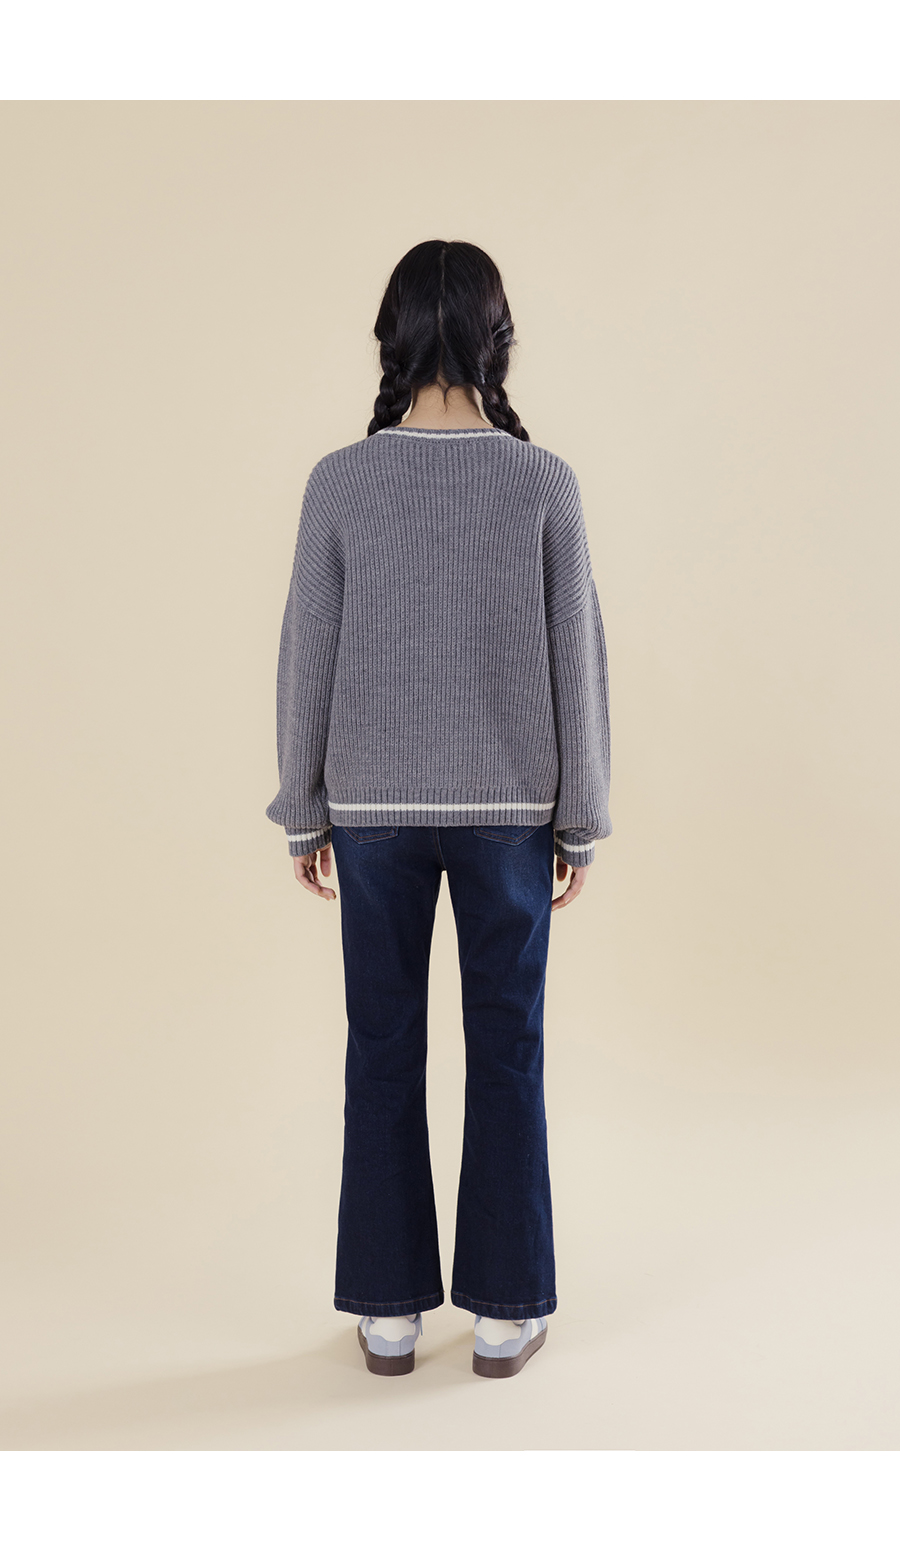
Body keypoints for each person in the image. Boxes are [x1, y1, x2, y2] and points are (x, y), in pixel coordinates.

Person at [265, 239, 611, 1379]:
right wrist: (581, 817)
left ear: (393, 338)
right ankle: (507, 1313)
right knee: (508, 1047)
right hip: (511, 809)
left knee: (382, 1045)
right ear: (496, 340)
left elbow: (305, 655)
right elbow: (577, 662)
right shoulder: (543, 481)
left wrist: (305, 807)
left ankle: (388, 1315)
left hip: (371, 810)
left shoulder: (340, 480)